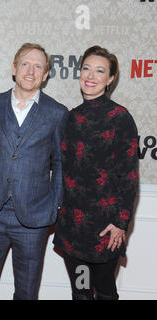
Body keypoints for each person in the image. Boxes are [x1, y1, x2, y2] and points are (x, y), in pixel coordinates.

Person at [0, 43, 68, 300]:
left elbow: (59, 163)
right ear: (14, 68)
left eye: (38, 66)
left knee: (26, 291)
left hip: (34, 218)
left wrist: (54, 205)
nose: (31, 71)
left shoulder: (57, 113)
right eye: (25, 64)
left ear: (46, 75)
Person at [53, 45, 139, 300]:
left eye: (99, 71)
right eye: (86, 69)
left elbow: (129, 177)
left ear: (110, 79)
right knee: (80, 291)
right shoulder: (69, 118)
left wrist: (120, 223)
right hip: (73, 229)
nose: (90, 76)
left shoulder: (120, 118)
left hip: (105, 229)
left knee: (104, 292)